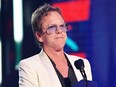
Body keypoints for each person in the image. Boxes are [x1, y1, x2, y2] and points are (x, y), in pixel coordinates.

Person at [18, 3, 92, 87]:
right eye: (52, 27)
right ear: (39, 36)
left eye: (62, 26)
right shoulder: (30, 66)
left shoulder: (82, 64)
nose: (59, 31)